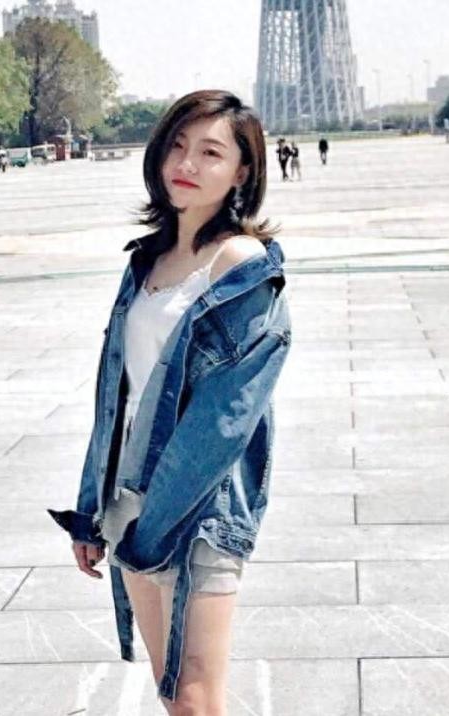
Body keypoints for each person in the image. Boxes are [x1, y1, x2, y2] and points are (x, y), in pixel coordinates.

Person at [47, 89, 292, 714]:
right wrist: (91, 510)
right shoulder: (148, 261)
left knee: (194, 699)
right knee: (171, 693)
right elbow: (115, 398)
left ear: (242, 171)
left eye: (210, 152)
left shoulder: (243, 267)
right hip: (129, 499)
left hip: (198, 507)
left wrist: (154, 527)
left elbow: (225, 420)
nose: (187, 163)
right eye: (178, 146)